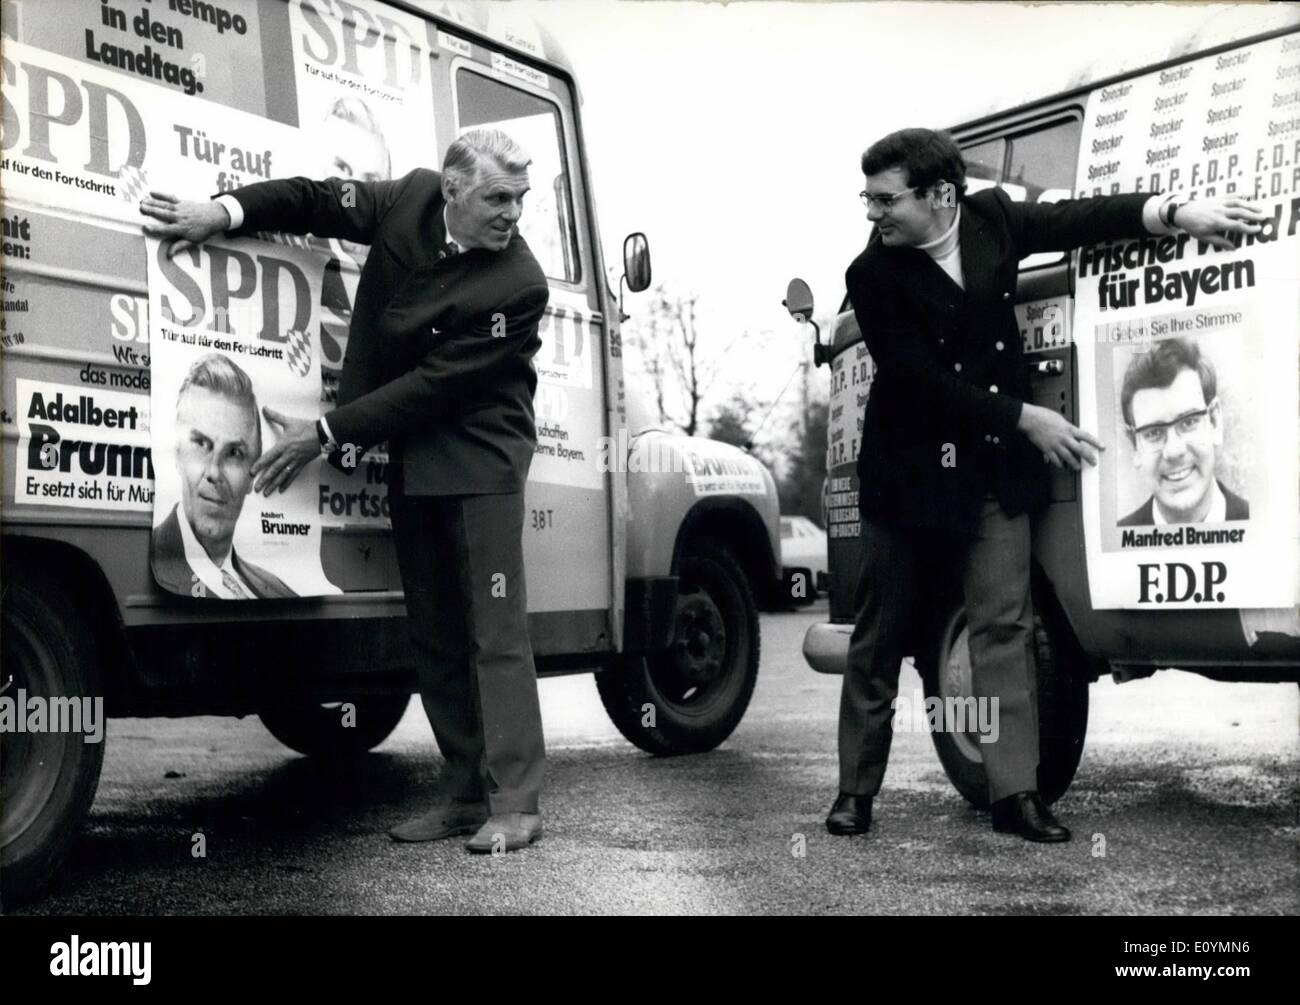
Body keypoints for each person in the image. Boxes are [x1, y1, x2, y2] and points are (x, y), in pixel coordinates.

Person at [832, 127, 1267, 842]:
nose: (872, 213)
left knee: (1004, 626)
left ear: (940, 194)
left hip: (995, 469)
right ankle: (855, 792)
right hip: (909, 474)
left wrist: (1174, 211)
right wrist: (1025, 415)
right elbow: (917, 381)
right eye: (868, 199)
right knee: (880, 638)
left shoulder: (994, 218)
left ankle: (1015, 796)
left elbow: (1080, 218)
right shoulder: (871, 275)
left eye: (884, 199)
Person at [139, 128, 550, 854]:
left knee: (494, 630)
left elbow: (436, 385)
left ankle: (516, 803)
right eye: (498, 196)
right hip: (413, 450)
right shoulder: (412, 196)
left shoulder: (520, 284)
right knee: (433, 630)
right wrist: (221, 211)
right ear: (453, 190)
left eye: (520, 198)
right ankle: (461, 791)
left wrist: (326, 433)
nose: (513, 212)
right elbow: (314, 201)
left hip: (481, 456)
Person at [152, 354, 297, 600]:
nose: (214, 472)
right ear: (176, 453)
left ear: (254, 471)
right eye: (201, 444)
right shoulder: (148, 562)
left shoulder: (279, 592)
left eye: (233, 453)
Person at [1118, 337, 1248, 526]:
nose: (1174, 451)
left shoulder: (1266, 526)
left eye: (1188, 422)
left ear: (1214, 421)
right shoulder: (1119, 535)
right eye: (1153, 433)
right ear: (1134, 446)